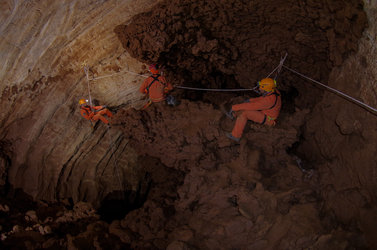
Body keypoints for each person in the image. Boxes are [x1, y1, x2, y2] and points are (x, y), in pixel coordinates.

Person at [225, 78, 282, 142]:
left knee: (244, 113)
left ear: (266, 90)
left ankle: (235, 136)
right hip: (266, 112)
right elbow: (263, 98)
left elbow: (252, 106)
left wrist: (234, 107)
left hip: (268, 119)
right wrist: (250, 100)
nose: (259, 89)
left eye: (261, 88)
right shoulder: (274, 91)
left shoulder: (269, 101)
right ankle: (234, 115)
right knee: (244, 107)